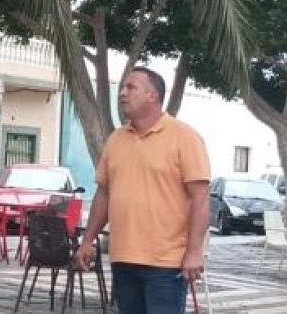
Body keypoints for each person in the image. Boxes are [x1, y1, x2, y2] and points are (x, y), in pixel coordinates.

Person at [74, 67, 210, 313]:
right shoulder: (116, 140)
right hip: (123, 259)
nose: (122, 93)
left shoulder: (185, 138)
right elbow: (104, 194)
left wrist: (194, 252)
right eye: (122, 87)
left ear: (152, 95)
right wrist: (87, 240)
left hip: (166, 264)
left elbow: (200, 198)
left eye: (131, 87)